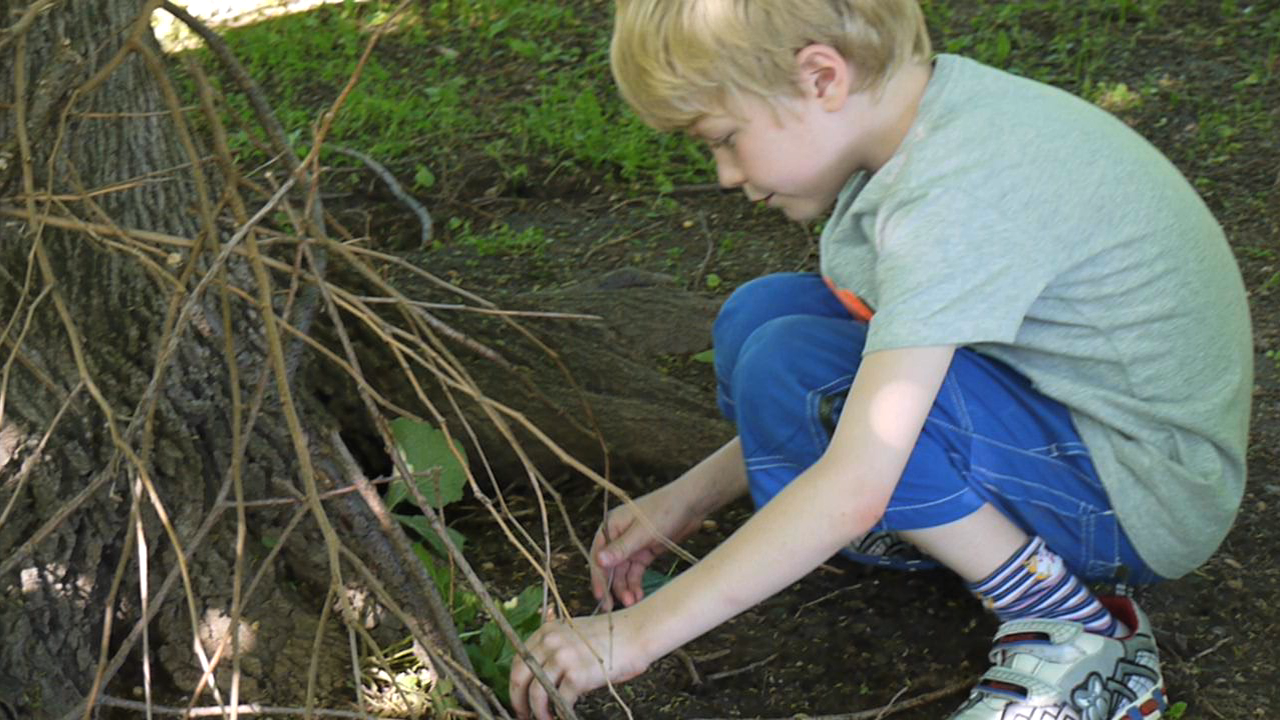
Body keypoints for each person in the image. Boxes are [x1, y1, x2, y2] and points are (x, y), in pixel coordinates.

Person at [508, 1, 1254, 718]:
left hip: (1136, 501)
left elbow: (862, 471)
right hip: (1081, 434)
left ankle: (1077, 629)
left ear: (821, 77)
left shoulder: (953, 198)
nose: (727, 173)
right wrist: (686, 500)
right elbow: (869, 394)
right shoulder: (935, 122)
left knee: (796, 363)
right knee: (762, 318)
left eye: (725, 137)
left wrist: (637, 635)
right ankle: (951, 533)